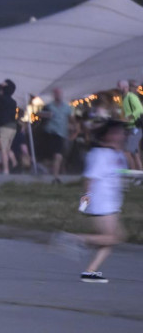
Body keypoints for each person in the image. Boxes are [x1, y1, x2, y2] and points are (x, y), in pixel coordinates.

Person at [68, 119, 129, 283]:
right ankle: (75, 240)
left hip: (112, 202)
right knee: (114, 237)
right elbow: (89, 180)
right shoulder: (99, 154)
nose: (122, 135)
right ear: (108, 135)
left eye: (122, 132)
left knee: (116, 237)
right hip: (101, 203)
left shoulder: (117, 154)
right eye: (117, 132)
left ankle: (90, 271)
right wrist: (84, 205)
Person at [40, 88, 75, 184]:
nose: (58, 95)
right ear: (54, 95)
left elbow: (71, 119)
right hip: (50, 133)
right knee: (55, 156)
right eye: (56, 94)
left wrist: (73, 130)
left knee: (58, 156)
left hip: (61, 133)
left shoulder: (66, 107)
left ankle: (55, 176)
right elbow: (40, 115)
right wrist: (45, 115)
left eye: (59, 93)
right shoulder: (49, 106)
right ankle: (53, 175)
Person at [0, 79, 18, 175]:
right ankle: (14, 162)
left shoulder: (1, 98)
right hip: (13, 126)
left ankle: (6, 170)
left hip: (5, 126)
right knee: (7, 146)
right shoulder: (13, 102)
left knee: (4, 149)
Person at [116, 80, 142, 172]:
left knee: (127, 152)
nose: (118, 88)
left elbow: (140, 109)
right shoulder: (123, 98)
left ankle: (134, 173)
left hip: (134, 127)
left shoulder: (131, 97)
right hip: (129, 127)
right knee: (135, 153)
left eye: (120, 87)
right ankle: (139, 174)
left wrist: (130, 117)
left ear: (125, 87)